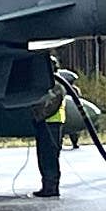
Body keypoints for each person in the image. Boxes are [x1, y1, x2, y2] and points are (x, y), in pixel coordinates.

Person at [30, 55, 66, 197]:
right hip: (48, 123)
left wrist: (37, 116)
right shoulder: (50, 83)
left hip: (51, 124)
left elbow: (51, 106)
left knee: (49, 157)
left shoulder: (56, 85)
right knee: (45, 156)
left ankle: (51, 187)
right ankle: (48, 185)